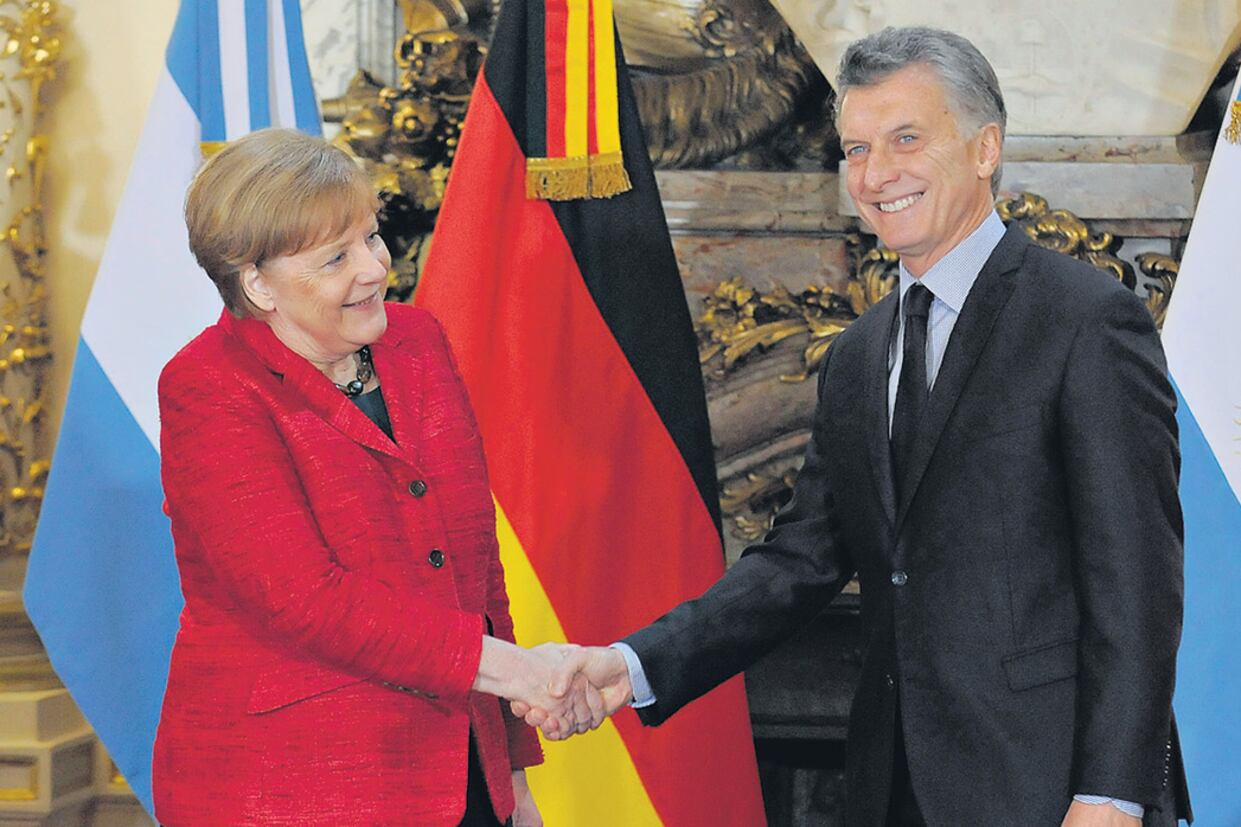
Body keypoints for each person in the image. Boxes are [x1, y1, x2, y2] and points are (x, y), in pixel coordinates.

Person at [522, 27, 1192, 827]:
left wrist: (1111, 792)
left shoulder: (1087, 320)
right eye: (855, 149)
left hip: (1051, 790)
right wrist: (630, 664)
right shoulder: (856, 353)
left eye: (906, 139)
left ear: (984, 148)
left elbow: (1139, 586)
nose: (875, 176)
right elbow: (797, 560)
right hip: (889, 784)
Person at [153, 128, 601, 827]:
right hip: (292, 785)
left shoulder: (419, 343)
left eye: (371, 237)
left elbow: (476, 568)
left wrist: (513, 771)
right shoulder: (208, 388)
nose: (373, 269)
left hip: (463, 772)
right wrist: (514, 669)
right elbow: (304, 600)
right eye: (337, 257)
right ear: (258, 283)